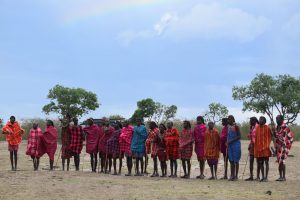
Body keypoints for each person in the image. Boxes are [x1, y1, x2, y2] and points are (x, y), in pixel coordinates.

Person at [275, 115, 294, 181]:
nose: (276, 120)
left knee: (282, 161)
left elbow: (291, 138)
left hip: (284, 147)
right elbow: (276, 138)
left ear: (282, 119)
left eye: (278, 119)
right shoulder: (276, 127)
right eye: (276, 119)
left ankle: (284, 177)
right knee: (279, 162)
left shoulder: (285, 127)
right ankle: (280, 177)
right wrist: (276, 146)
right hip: (278, 147)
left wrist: (286, 145)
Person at [254, 116, 272, 182]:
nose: (260, 120)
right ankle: (262, 177)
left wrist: (267, 145)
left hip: (266, 148)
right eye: (259, 119)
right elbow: (256, 138)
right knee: (261, 163)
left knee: (266, 162)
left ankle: (266, 177)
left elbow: (270, 137)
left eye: (261, 119)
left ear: (264, 121)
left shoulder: (267, 128)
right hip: (259, 149)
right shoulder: (257, 128)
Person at [227, 115, 241, 181]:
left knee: (236, 161)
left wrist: (231, 141)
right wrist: (227, 142)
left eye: (229, 119)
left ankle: (236, 176)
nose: (228, 120)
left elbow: (239, 136)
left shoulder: (236, 126)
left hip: (236, 145)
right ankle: (232, 175)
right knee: (231, 161)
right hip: (230, 145)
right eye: (228, 119)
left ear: (233, 120)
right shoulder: (228, 127)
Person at [245, 117, 259, 181]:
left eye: (250, 121)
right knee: (251, 160)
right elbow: (251, 137)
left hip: (257, 145)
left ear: (254, 121)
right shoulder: (252, 127)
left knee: (258, 161)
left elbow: (257, 137)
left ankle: (258, 176)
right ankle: (251, 176)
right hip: (252, 145)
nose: (250, 122)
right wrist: (250, 144)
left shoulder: (258, 127)